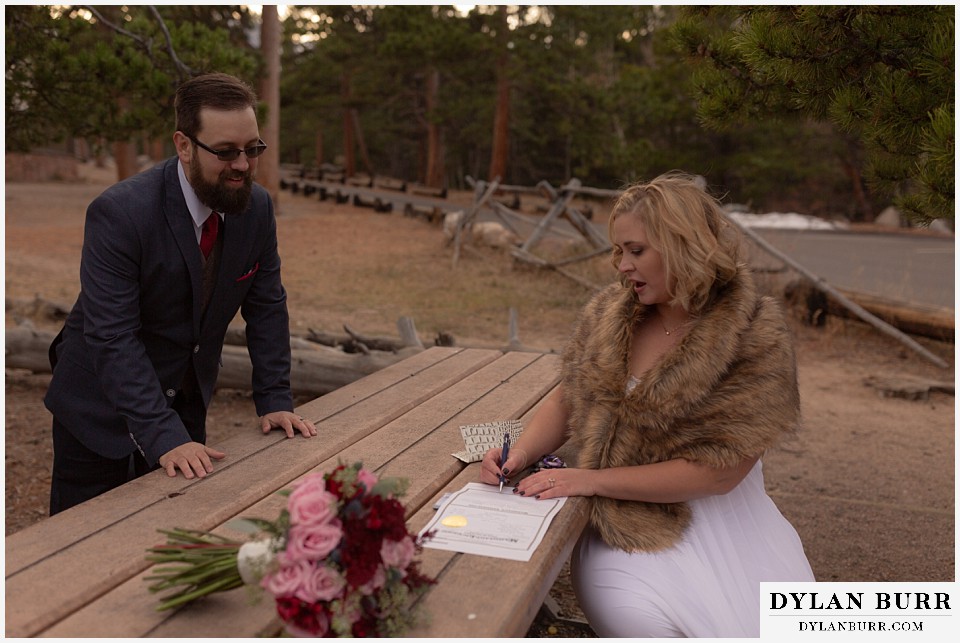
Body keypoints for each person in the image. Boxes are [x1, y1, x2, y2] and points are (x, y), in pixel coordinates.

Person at [480, 171, 814, 637]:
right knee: (636, 617)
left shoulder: (755, 335)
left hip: (725, 526)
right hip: (626, 526)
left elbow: (721, 474)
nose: (622, 266)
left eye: (636, 251)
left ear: (683, 245)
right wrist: (520, 452)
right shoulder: (608, 314)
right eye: (619, 252)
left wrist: (590, 480)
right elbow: (568, 397)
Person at [45, 72, 318, 515]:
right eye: (226, 152)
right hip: (96, 410)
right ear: (184, 145)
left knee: (175, 533)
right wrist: (160, 432)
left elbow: (267, 305)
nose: (243, 165)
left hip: (185, 401)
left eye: (252, 149)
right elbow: (111, 335)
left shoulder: (257, 208)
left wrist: (274, 398)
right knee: (83, 547)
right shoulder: (119, 213)